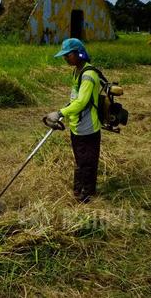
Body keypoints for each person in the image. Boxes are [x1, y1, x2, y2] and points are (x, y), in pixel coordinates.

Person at [45, 38, 102, 203]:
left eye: (68, 55)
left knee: (88, 163)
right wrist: (64, 112)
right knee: (80, 161)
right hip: (77, 126)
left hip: (88, 128)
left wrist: (60, 112)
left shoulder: (89, 74)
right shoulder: (77, 71)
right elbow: (74, 98)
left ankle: (87, 195)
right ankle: (78, 190)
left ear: (79, 53)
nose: (65, 58)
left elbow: (82, 101)